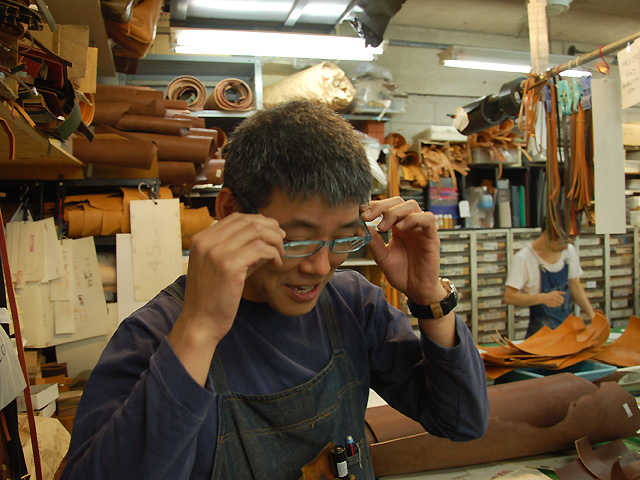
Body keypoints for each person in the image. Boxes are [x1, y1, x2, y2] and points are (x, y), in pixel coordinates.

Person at [60, 100, 489, 480]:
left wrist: (430, 298)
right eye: (296, 240)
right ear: (230, 210)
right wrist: (199, 331)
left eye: (343, 239)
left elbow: (462, 422)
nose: (320, 267)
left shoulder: (352, 305)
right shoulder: (156, 335)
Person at [504, 228, 596, 338]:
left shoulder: (568, 252)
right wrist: (543, 298)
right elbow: (509, 297)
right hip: (540, 336)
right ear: (548, 233)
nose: (565, 247)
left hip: (568, 333)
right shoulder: (524, 258)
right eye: (562, 242)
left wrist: (593, 318)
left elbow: (575, 286)